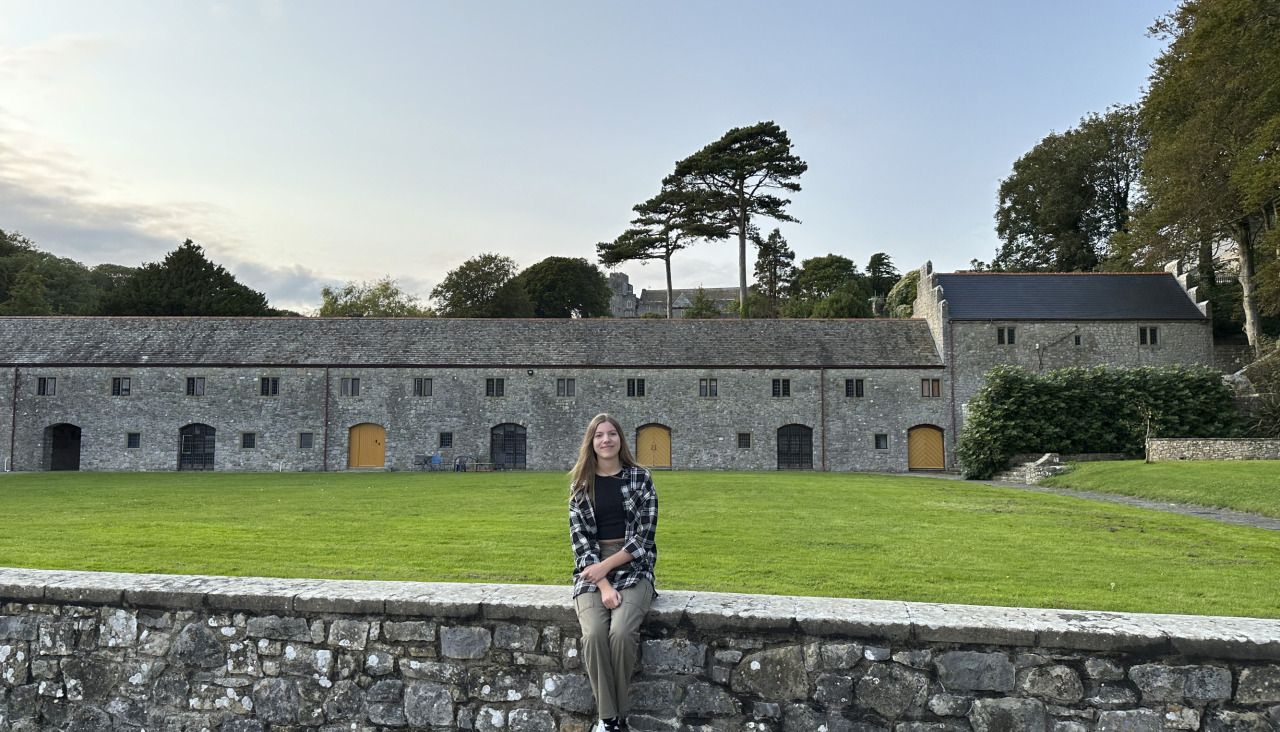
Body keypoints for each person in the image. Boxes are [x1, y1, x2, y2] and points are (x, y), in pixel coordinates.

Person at [569, 414, 658, 732]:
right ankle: (610, 720)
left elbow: (644, 539)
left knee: (621, 633)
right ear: (591, 443)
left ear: (621, 439)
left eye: (611, 434)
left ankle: (613, 720)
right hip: (592, 567)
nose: (606, 440)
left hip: (634, 565)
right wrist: (604, 584)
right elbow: (581, 544)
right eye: (599, 435)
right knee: (594, 634)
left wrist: (605, 568)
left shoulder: (640, 478)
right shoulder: (581, 484)